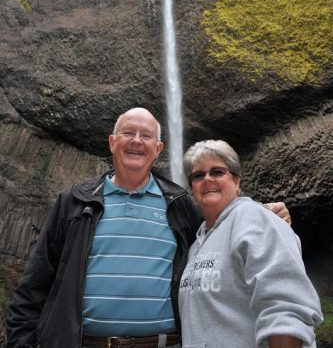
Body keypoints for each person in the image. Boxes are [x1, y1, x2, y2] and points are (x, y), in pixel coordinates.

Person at [6, 108, 291, 348]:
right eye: (128, 133)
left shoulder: (180, 204)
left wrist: (261, 213)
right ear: (112, 142)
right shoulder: (75, 202)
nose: (137, 141)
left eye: (146, 136)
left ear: (158, 149)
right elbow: (34, 286)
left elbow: (219, 233)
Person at [179, 139, 323, 348]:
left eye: (217, 172)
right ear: (192, 187)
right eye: (198, 175)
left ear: (236, 181)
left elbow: (286, 307)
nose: (207, 179)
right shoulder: (195, 245)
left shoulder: (254, 218)